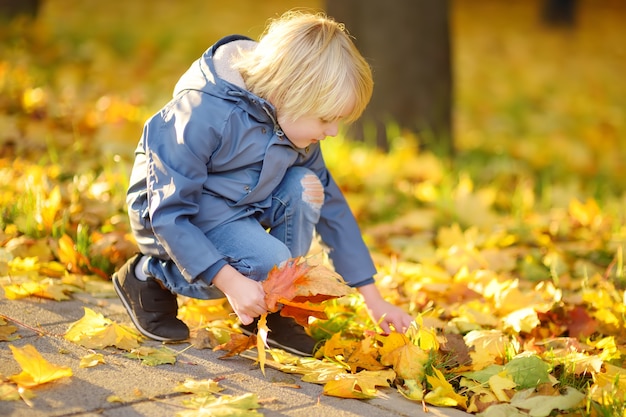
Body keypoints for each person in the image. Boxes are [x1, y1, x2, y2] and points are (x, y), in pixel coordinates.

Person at [113, 10, 414, 356]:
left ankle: (276, 307)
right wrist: (231, 282)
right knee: (267, 260)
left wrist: (374, 301)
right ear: (291, 93)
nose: (332, 132)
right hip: (170, 213)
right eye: (327, 119)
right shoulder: (204, 112)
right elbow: (167, 211)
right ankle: (147, 275)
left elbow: (332, 207)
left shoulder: (291, 122)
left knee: (307, 186)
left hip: (237, 205)